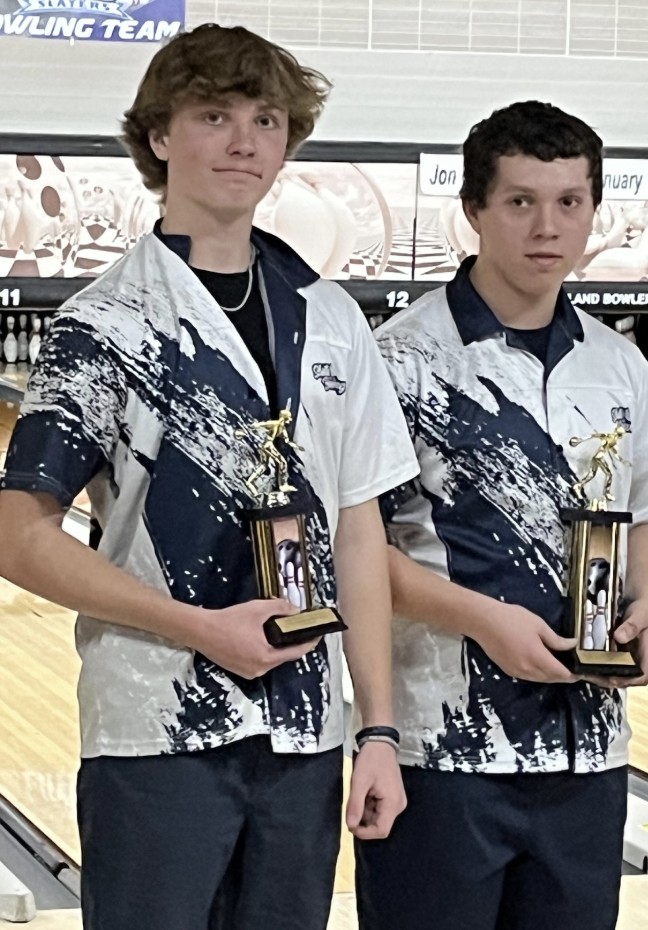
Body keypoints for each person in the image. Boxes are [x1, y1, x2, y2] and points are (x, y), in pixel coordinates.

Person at [0, 24, 419, 930]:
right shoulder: (103, 324)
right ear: (158, 136)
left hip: (307, 732)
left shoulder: (332, 319)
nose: (244, 142)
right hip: (156, 730)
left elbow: (359, 531)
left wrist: (378, 729)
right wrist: (198, 627)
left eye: (266, 119)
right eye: (214, 115)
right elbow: (19, 535)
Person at [356, 100, 648, 930]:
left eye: (570, 202)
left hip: (589, 753)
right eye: (521, 201)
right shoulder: (398, 362)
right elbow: (351, 549)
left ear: (592, 212)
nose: (549, 227)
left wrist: (647, 602)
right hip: (440, 751)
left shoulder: (620, 368)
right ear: (474, 210)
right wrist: (483, 619)